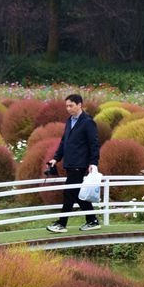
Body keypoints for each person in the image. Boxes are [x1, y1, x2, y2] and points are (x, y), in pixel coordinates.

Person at [46, 94, 101, 233]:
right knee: (76, 193)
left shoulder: (88, 122)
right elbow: (64, 141)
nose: (68, 108)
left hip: (80, 164)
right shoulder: (69, 120)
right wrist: (56, 158)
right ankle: (92, 220)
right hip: (70, 163)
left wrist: (93, 163)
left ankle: (61, 223)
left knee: (69, 193)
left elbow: (94, 144)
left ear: (79, 104)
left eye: (71, 105)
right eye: (67, 106)